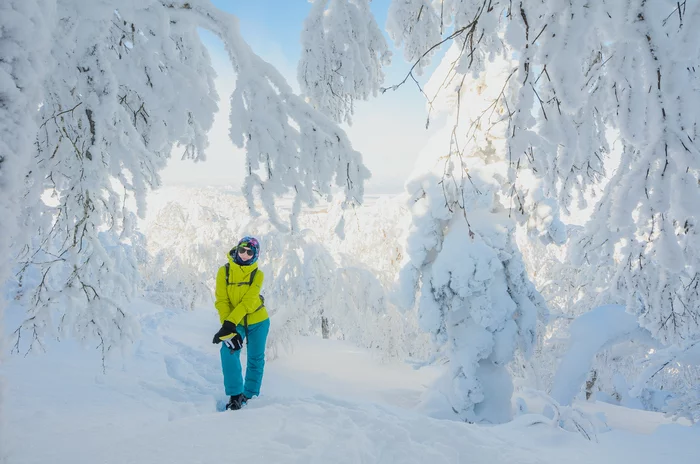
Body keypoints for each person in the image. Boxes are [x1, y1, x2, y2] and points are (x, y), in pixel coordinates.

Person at [212, 236, 270, 410]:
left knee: (255, 359)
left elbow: (248, 302)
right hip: (234, 321)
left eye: (250, 252)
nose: (245, 255)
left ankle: (250, 396)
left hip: (258, 321)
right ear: (237, 250)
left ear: (255, 255)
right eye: (242, 250)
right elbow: (222, 301)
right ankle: (235, 394)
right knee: (228, 351)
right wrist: (228, 326)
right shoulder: (225, 271)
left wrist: (229, 323)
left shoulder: (257, 274)